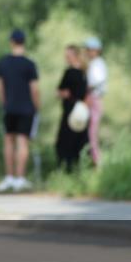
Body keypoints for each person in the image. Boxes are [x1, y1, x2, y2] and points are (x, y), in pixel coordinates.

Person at [0, 29, 39, 192]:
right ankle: (20, 179)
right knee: (22, 143)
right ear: (24, 42)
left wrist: (4, 103)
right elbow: (34, 89)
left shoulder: (3, 63)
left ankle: (9, 177)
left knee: (8, 141)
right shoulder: (30, 64)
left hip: (10, 107)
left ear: (12, 42)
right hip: (26, 108)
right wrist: (36, 106)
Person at [55, 45, 88, 173]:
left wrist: (63, 94)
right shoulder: (84, 73)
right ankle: (79, 170)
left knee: (63, 143)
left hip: (71, 111)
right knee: (79, 142)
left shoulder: (69, 72)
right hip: (82, 111)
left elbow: (61, 92)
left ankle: (65, 170)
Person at [84, 36, 108, 165]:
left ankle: (97, 162)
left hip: (94, 99)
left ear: (96, 50)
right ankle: (92, 161)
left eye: (90, 49)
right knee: (89, 133)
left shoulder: (97, 64)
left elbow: (95, 82)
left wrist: (84, 88)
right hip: (92, 99)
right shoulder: (94, 63)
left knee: (92, 134)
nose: (88, 52)